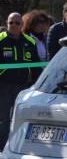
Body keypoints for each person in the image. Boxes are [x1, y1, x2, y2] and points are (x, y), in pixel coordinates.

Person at [0, 13, 42, 146]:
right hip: (3, 86)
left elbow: (36, 66)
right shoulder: (1, 39)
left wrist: (38, 85)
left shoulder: (29, 42)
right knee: (3, 118)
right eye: (11, 22)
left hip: (23, 86)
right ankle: (3, 146)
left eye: (17, 23)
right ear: (7, 23)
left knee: (20, 117)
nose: (13, 25)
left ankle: (18, 145)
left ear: (22, 25)